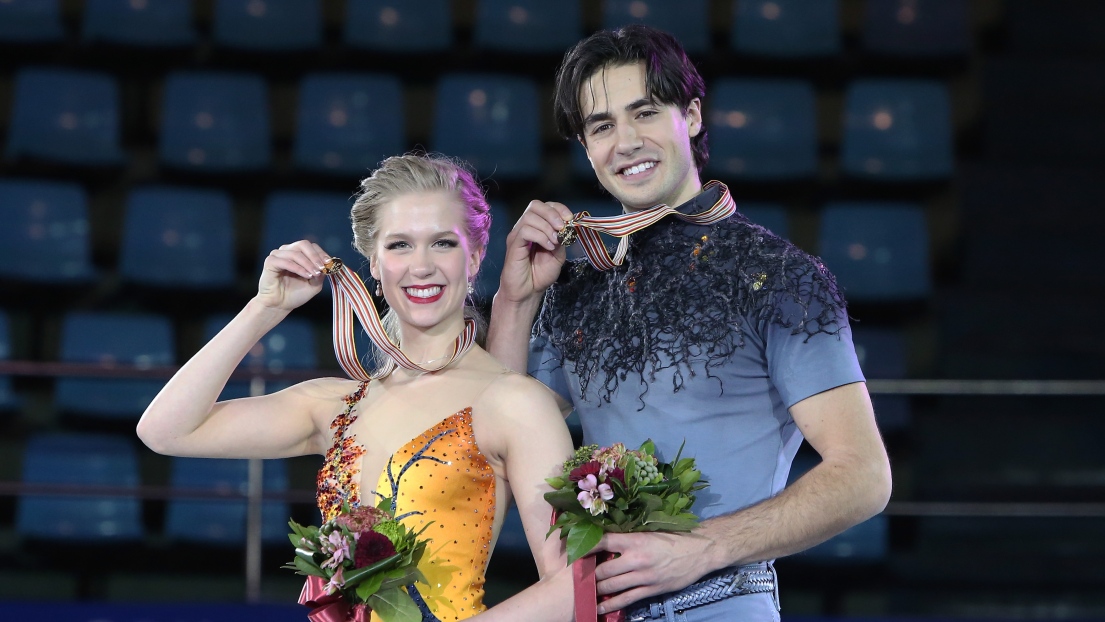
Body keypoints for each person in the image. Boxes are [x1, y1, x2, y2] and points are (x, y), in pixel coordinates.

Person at [488, 25, 893, 621]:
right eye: (601, 127)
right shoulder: (576, 285)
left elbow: (865, 475)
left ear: (693, 116)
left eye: (644, 112)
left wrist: (702, 548)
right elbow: (497, 438)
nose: (625, 142)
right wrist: (515, 299)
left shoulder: (779, 276)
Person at [136, 154, 576, 622]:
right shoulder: (335, 405)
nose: (421, 266)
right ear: (373, 262)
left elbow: (572, 584)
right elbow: (165, 430)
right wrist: (264, 308)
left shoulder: (513, 401)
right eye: (400, 245)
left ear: (474, 257)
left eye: (443, 243)